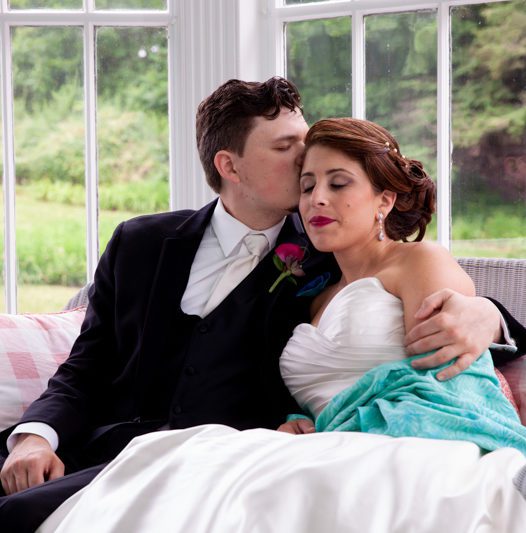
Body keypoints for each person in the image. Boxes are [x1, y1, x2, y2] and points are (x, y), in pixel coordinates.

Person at [0, 78, 522, 532]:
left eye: (319, 162)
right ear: (230, 165)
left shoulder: (327, 251)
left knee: (21, 517)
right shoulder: (140, 243)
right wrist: (34, 437)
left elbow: (417, 318)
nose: (307, 166)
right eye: (290, 151)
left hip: (219, 463)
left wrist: (489, 314)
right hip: (98, 446)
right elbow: (85, 366)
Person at [279, 117, 526, 452]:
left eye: (338, 184)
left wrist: (341, 438)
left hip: (406, 452)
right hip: (320, 452)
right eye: (307, 187)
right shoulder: (312, 295)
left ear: (385, 201)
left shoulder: (420, 262)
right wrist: (297, 423)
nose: (317, 199)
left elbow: (453, 394)